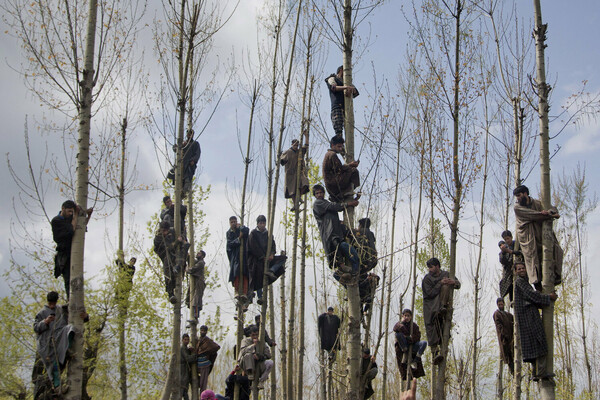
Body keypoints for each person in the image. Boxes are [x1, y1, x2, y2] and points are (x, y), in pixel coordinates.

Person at [33, 291, 89, 397]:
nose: (52, 306)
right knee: (53, 366)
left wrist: (86, 316)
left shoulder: (61, 310)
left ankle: (68, 350)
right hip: (46, 344)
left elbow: (77, 312)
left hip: (60, 339)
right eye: (50, 304)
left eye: (54, 303)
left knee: (70, 328)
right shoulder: (41, 313)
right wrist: (45, 322)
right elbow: (35, 328)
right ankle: (58, 388)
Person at [513, 185, 563, 289]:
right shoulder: (517, 207)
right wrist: (546, 214)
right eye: (516, 196)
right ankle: (538, 286)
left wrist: (552, 212)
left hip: (541, 236)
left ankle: (555, 277)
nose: (517, 198)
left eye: (519, 195)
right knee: (532, 261)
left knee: (556, 251)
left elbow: (551, 208)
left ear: (525, 194)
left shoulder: (537, 203)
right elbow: (532, 215)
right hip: (528, 238)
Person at [514, 261, 557, 381]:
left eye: (523, 268)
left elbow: (532, 296)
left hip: (528, 317)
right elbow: (532, 296)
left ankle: (536, 373)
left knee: (533, 345)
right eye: (519, 269)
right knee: (540, 342)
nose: (522, 270)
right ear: (515, 271)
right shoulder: (519, 282)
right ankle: (540, 373)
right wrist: (549, 297)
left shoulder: (524, 283)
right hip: (529, 317)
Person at [312, 184, 360, 282]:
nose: (319, 195)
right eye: (317, 193)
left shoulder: (325, 202)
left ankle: (348, 273)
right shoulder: (318, 203)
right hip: (329, 232)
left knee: (344, 248)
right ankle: (342, 266)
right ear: (315, 195)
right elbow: (333, 206)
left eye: (321, 192)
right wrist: (349, 204)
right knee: (336, 246)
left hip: (336, 231)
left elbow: (332, 210)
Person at [422, 257, 460, 365]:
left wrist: (453, 282)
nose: (429, 269)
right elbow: (430, 293)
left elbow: (458, 284)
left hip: (442, 305)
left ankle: (443, 306)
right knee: (431, 327)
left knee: (442, 326)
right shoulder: (427, 279)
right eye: (428, 267)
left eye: (431, 267)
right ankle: (434, 352)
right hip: (431, 306)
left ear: (437, 266)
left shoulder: (446, 274)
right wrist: (440, 283)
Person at [51, 200, 93, 299]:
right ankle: (70, 300)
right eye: (69, 211)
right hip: (64, 253)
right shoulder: (56, 221)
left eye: (72, 212)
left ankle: (76, 298)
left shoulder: (71, 218)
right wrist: (76, 215)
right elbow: (71, 230)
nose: (70, 214)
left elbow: (80, 227)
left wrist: (88, 215)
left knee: (76, 277)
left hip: (73, 252)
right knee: (68, 278)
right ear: (63, 209)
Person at [248, 215, 287, 303]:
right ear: (257, 224)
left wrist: (272, 254)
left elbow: (273, 245)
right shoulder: (253, 233)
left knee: (283, 258)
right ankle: (260, 296)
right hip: (256, 259)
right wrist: (262, 257)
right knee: (258, 276)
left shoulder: (268, 234)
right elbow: (253, 247)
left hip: (267, 258)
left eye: (263, 223)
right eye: (260, 223)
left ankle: (271, 270)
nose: (262, 225)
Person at [154, 221, 189, 304]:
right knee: (168, 272)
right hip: (164, 254)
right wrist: (177, 242)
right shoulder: (158, 238)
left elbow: (181, 235)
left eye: (166, 231)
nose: (165, 233)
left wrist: (181, 238)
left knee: (177, 267)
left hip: (172, 255)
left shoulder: (172, 232)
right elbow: (168, 247)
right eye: (163, 231)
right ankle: (170, 293)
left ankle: (175, 284)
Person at [322, 135, 360, 203]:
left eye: (341, 146)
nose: (340, 149)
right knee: (354, 171)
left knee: (350, 169)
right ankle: (349, 191)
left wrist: (349, 165)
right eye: (339, 146)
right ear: (333, 145)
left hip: (331, 186)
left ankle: (342, 193)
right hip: (334, 184)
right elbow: (340, 169)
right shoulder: (332, 154)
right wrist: (351, 165)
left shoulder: (328, 154)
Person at [325, 65, 359, 138]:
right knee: (339, 131)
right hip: (337, 106)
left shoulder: (347, 82)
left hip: (347, 109)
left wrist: (350, 89)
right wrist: (346, 88)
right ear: (341, 70)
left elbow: (356, 93)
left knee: (349, 131)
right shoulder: (332, 78)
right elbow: (333, 87)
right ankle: (340, 146)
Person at [226, 216, 251, 308]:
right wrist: (238, 239)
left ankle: (244, 292)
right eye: (231, 222)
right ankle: (237, 290)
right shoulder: (229, 233)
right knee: (236, 273)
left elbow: (247, 231)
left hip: (243, 255)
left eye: (234, 222)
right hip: (235, 256)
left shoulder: (240, 229)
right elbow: (230, 244)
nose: (233, 223)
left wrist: (241, 227)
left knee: (244, 273)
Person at [280, 139, 309, 210]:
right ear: (292, 144)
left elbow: (306, 146)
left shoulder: (300, 152)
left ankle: (299, 197)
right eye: (295, 145)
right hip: (290, 173)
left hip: (300, 172)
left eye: (297, 145)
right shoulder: (288, 152)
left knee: (305, 183)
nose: (296, 146)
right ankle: (295, 204)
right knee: (292, 190)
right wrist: (280, 156)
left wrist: (306, 136)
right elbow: (282, 161)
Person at [196, 325, 221, 393]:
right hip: (198, 364)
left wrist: (206, 352)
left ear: (206, 332)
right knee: (194, 379)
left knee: (203, 384)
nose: (202, 332)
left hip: (205, 364)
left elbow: (216, 347)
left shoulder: (207, 340)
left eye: (204, 331)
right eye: (201, 330)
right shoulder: (198, 340)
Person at [493, 297, 514, 374]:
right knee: (508, 357)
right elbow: (499, 326)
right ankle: (512, 371)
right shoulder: (497, 314)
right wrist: (504, 335)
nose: (501, 305)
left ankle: (514, 371)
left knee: (513, 355)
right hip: (504, 339)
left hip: (512, 339)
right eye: (499, 304)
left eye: (502, 304)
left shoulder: (509, 315)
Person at [187, 250, 206, 319]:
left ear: (202, 256)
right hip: (194, 282)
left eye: (199, 253)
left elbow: (193, 269)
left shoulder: (201, 263)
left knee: (197, 298)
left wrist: (188, 270)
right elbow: (190, 261)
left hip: (199, 282)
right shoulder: (196, 262)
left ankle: (196, 314)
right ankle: (192, 314)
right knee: (190, 298)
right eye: (197, 253)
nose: (197, 254)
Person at [182, 129, 201, 194]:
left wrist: (193, 160)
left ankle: (184, 191)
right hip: (182, 163)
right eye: (188, 134)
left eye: (191, 134)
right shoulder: (184, 144)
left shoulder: (195, 144)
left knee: (187, 178)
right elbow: (176, 149)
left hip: (189, 164)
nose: (189, 135)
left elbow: (197, 153)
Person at [498, 230, 516, 301]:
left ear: (511, 237)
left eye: (508, 238)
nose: (507, 240)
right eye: (505, 239)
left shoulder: (516, 245)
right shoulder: (504, 249)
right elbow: (503, 261)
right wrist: (504, 252)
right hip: (509, 273)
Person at [180, 333, 197, 400]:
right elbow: (188, 358)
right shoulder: (182, 349)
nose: (186, 341)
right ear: (182, 340)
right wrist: (194, 354)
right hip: (182, 371)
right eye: (185, 339)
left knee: (185, 389)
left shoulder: (186, 349)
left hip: (185, 371)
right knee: (183, 389)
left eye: (188, 340)